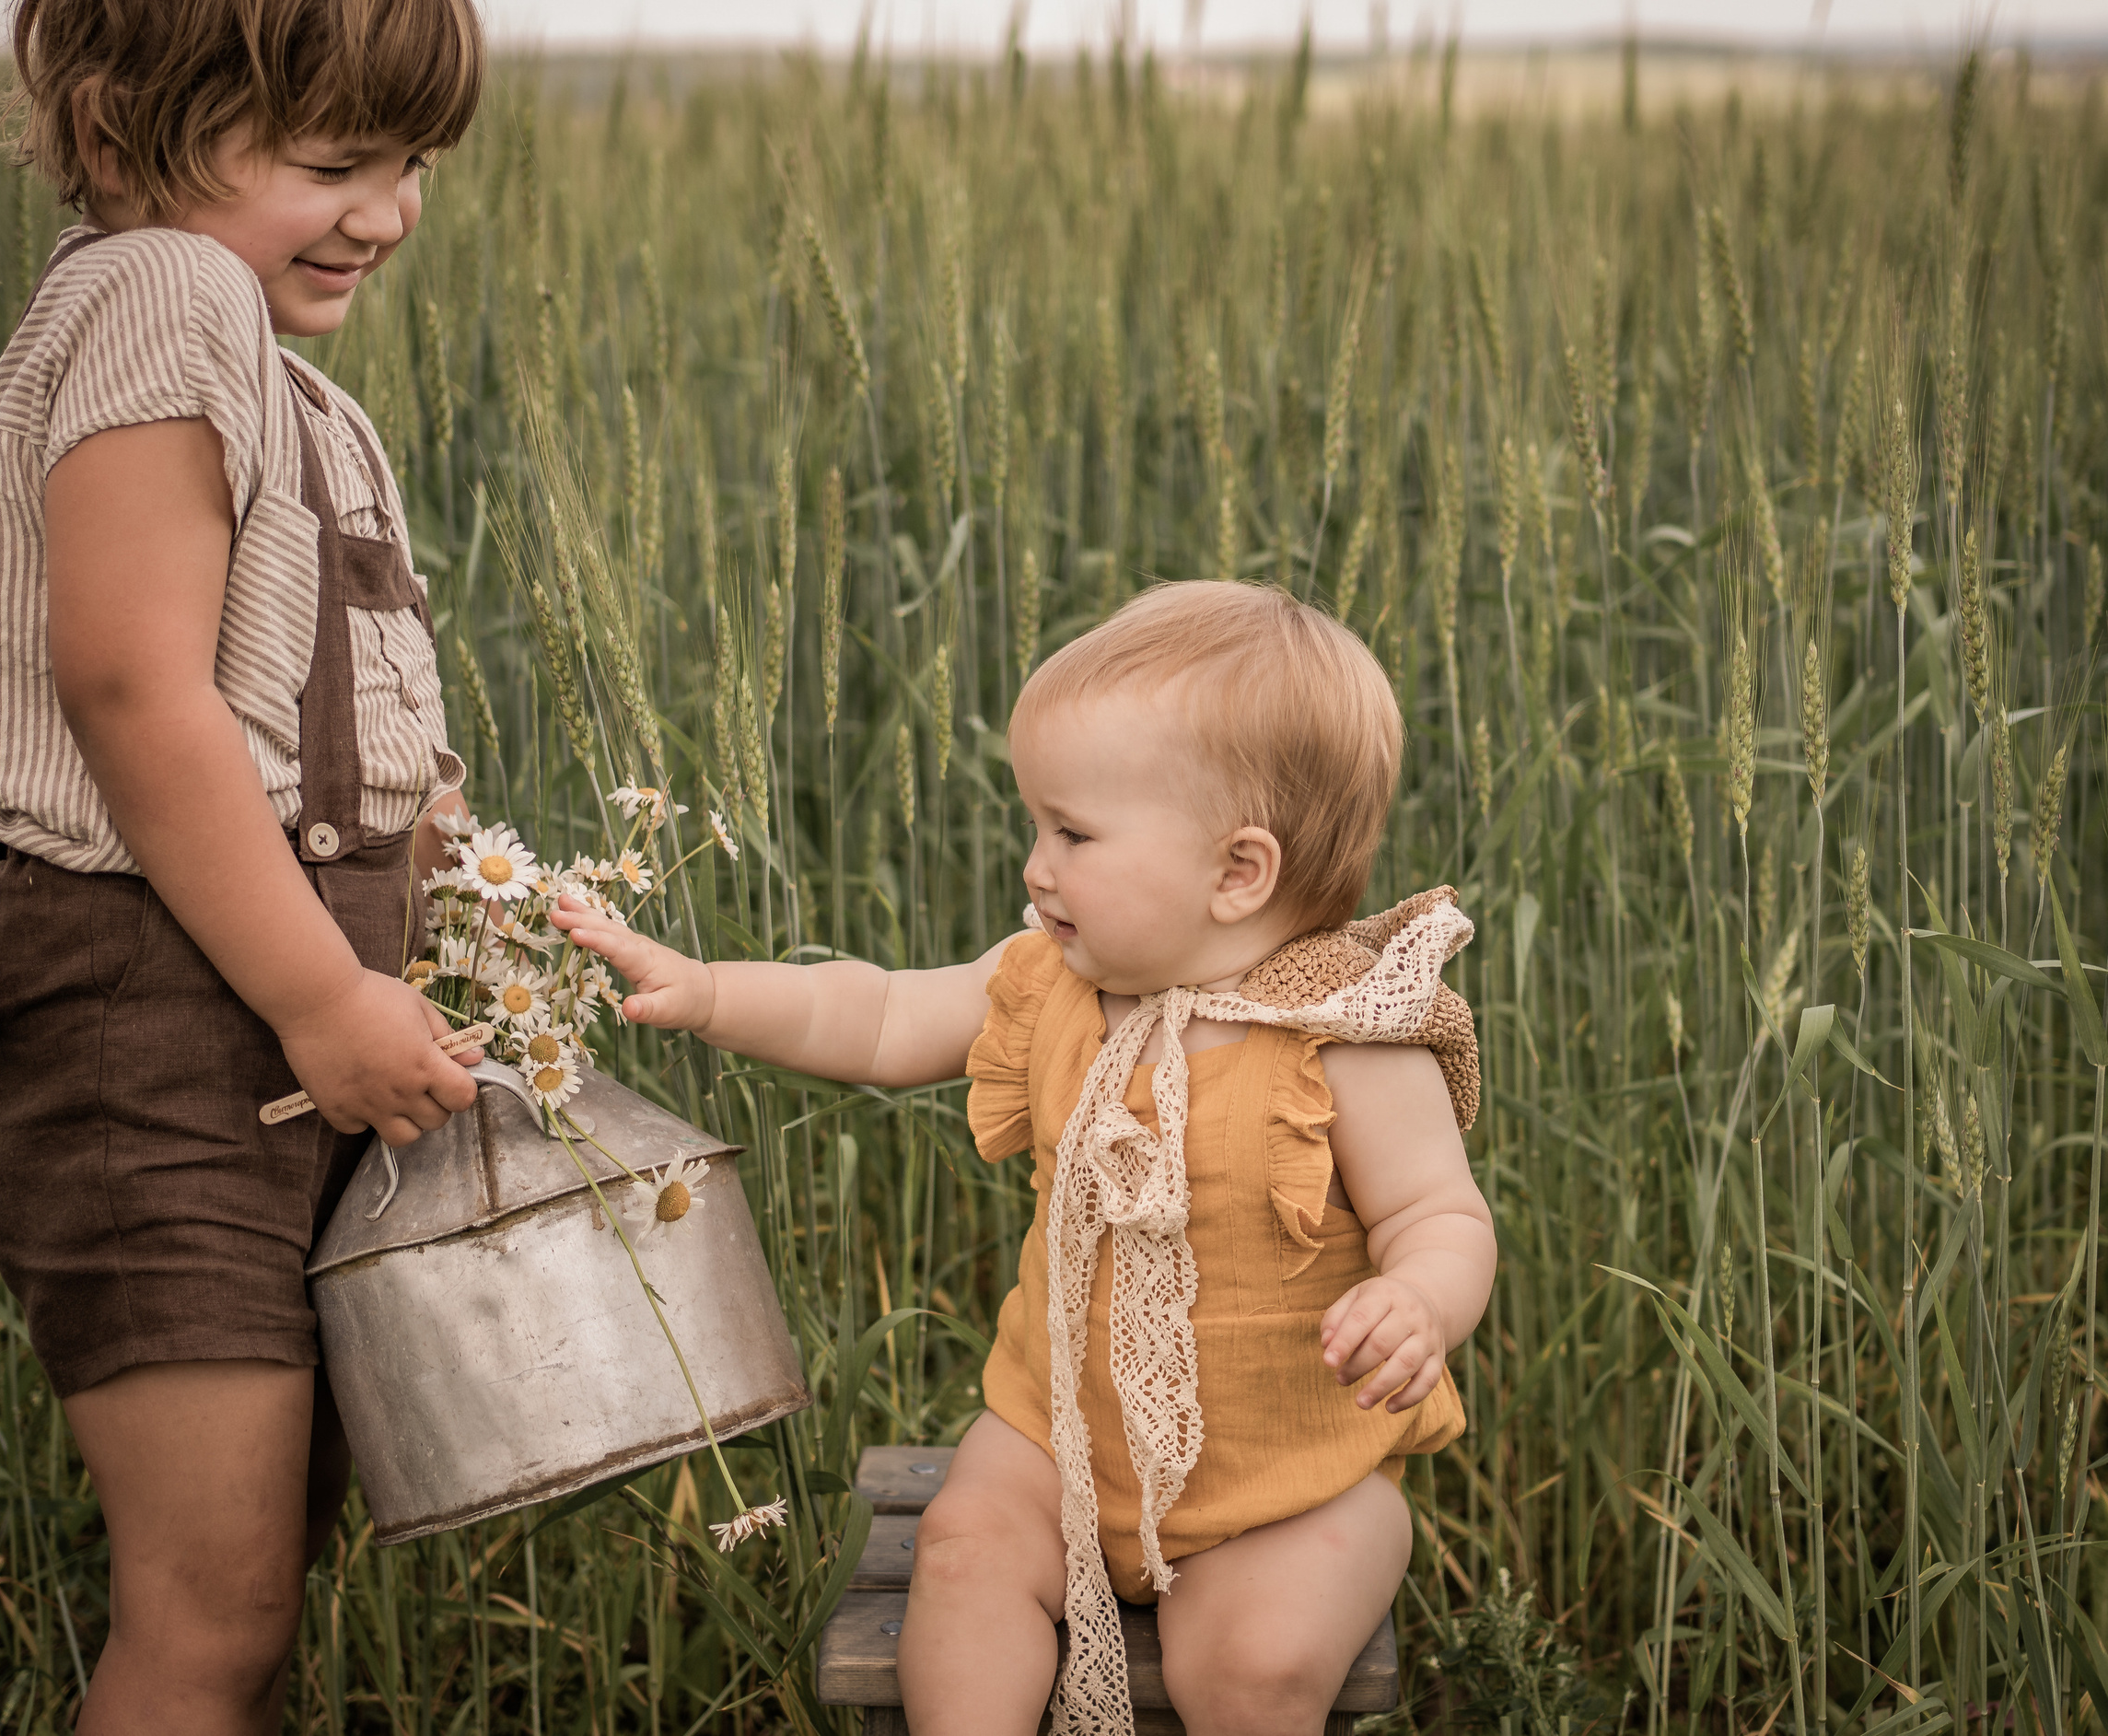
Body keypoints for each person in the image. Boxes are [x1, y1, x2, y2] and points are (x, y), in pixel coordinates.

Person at [559, 579, 1497, 1736]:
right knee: (960, 1553)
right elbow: (881, 1016)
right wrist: (706, 991)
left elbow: (1441, 1219)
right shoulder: (1053, 985)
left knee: (1251, 1666)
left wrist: (1417, 1299)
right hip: (1057, 1434)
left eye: (1073, 833)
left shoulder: (1345, 1038)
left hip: (1289, 1481)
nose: (1035, 866)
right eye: (1037, 825)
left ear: (1237, 871)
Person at [0, 2, 486, 1728]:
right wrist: (326, 990)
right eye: (334, 163)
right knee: (209, 1608)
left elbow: (300, 712)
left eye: (409, 164)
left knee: (259, 1585)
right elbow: (130, 686)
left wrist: (463, 880)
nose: (389, 210)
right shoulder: (159, 294)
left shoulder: (271, 367)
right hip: (160, 1003)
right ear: (121, 145)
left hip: (261, 992)